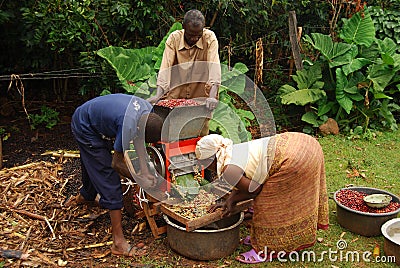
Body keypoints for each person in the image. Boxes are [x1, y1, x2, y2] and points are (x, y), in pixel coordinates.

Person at [195, 132, 329, 264]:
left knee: (267, 202)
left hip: (294, 159)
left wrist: (232, 201)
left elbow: (254, 190)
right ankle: (261, 237)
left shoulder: (228, 170)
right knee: (285, 195)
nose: (204, 167)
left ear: (210, 160)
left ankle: (266, 250)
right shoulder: (230, 151)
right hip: (304, 144)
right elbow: (245, 182)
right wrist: (230, 200)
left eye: (203, 163)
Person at [67, 93, 163, 257]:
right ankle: (118, 243)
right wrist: (139, 180)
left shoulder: (147, 111)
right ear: (138, 129)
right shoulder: (128, 124)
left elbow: (140, 141)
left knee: (94, 163)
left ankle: (86, 196)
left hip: (97, 119)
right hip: (84, 125)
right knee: (109, 177)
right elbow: (116, 163)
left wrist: (146, 171)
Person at [148, 9, 221, 117]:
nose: (195, 39)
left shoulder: (209, 39)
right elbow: (165, 67)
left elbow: (214, 67)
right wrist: (158, 95)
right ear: (184, 28)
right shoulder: (174, 39)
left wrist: (212, 96)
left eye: (198, 35)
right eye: (191, 35)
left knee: (199, 132)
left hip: (200, 99)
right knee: (170, 129)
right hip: (175, 95)